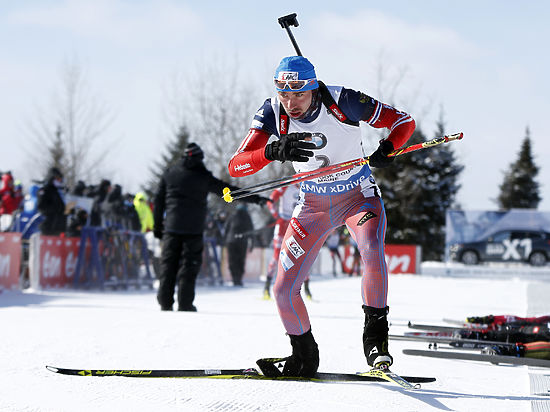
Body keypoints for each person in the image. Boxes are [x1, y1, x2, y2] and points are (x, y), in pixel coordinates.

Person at [228, 55, 415, 376]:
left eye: (298, 93)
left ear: (313, 87)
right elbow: (237, 164)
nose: (291, 102)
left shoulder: (344, 100)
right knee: (283, 290)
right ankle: (304, 354)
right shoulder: (272, 111)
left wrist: (389, 148)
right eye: (284, 94)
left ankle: (375, 342)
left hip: (358, 198)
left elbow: (403, 122)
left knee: (372, 252)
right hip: (312, 205)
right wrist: (272, 151)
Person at [153, 142, 267, 312]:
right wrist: (256, 199)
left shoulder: (170, 174)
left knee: (168, 265)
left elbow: (158, 200)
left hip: (171, 229)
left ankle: (165, 301)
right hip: (193, 230)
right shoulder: (202, 177)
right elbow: (228, 191)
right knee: (188, 267)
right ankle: (185, 303)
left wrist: (157, 226)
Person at [263, 183, 312, 300]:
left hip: (297, 225)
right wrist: (277, 216)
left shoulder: (309, 184)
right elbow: (270, 200)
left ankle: (307, 289)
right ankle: (266, 287)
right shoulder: (287, 184)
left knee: (301, 255)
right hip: (283, 224)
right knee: (277, 255)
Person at [224, 203, 254, 286]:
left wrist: (224, 241)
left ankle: (235, 278)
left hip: (231, 241)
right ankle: (238, 279)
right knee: (240, 261)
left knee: (232, 261)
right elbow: (251, 231)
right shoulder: (247, 217)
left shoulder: (232, 216)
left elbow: (226, 229)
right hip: (242, 242)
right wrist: (252, 244)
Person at [36, 167, 66, 236]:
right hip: (47, 227)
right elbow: (41, 207)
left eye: (60, 179)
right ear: (52, 178)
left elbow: (61, 207)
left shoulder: (57, 192)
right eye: (57, 179)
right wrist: (55, 209)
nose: (60, 181)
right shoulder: (44, 191)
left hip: (57, 228)